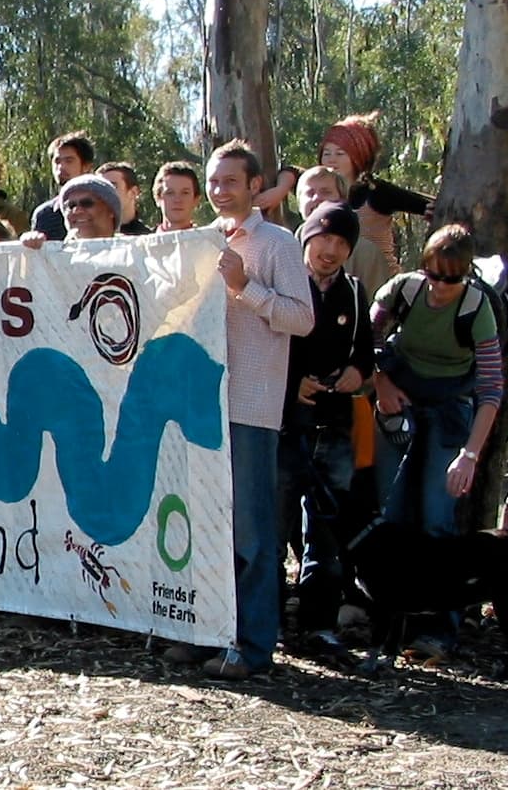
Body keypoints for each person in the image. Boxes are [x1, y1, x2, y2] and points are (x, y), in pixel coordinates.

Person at [162, 140, 314, 680]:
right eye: (214, 181)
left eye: (231, 181)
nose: (220, 190)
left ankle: (252, 645)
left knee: (250, 531)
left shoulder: (278, 243)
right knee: (204, 528)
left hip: (250, 404)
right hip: (198, 405)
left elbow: (301, 319)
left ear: (256, 186)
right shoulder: (199, 242)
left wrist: (244, 286)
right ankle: (208, 632)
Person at [367, 224, 505, 661]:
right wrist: (381, 384)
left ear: (466, 275)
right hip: (399, 401)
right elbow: (364, 339)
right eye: (434, 275)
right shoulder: (402, 291)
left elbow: (490, 388)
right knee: (390, 515)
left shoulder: (475, 307)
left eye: (453, 278)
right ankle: (386, 624)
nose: (441, 287)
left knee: (436, 517)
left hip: (450, 410)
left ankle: (439, 628)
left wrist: (469, 455)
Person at [276, 204, 374, 652]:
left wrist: (356, 373)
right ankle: (269, 620)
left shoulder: (354, 293)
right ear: (306, 237)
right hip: (282, 423)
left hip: (335, 425)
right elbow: (262, 342)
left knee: (326, 532)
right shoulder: (284, 282)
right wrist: (292, 381)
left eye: (341, 243)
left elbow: (365, 355)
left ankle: (317, 623)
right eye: (323, 239)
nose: (330, 251)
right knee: (273, 526)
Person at [323, 114, 430, 298]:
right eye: (326, 153)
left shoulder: (377, 192)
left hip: (379, 286)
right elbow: (292, 171)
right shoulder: (316, 189)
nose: (331, 160)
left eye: (340, 154)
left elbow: (427, 204)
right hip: (337, 286)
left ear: (359, 155)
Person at [20, 174, 122, 248]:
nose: (76, 210)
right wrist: (29, 251)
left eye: (87, 203)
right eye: (70, 205)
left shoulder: (132, 252)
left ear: (111, 211)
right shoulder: (54, 258)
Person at [29, 131, 94, 241]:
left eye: (69, 161)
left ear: (86, 166)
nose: (61, 167)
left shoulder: (100, 207)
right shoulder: (45, 215)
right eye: (57, 161)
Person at [96, 162, 152, 235]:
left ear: (133, 192)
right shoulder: (86, 238)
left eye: (112, 187)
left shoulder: (147, 240)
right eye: (99, 189)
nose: (104, 193)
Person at [154, 162, 204, 232]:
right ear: (158, 199)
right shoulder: (142, 242)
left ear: (196, 200)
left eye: (185, 193)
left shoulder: (210, 241)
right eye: (170, 193)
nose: (177, 200)